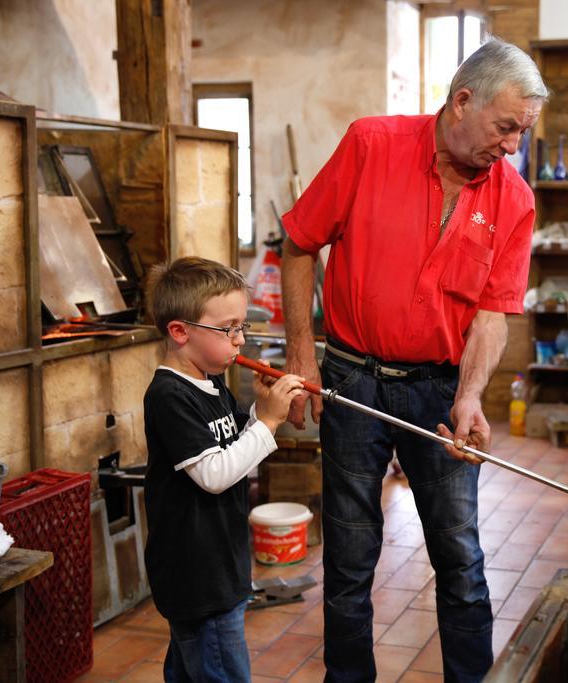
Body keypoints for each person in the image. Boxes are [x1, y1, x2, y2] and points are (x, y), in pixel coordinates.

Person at [280, 39, 546, 682]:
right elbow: (298, 243)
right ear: (462, 101)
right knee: (349, 558)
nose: (513, 146)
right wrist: (301, 360)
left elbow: (491, 313)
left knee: (460, 560)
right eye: (506, 127)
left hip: (439, 391)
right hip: (352, 380)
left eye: (523, 133)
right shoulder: (371, 145)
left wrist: (471, 396)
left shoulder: (513, 198)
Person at [142, 257, 305, 683]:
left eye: (242, 328)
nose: (239, 341)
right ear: (180, 331)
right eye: (228, 328)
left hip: (219, 563)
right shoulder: (169, 396)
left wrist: (259, 410)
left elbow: (235, 448)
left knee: (191, 670)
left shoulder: (211, 381)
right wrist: (268, 422)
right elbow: (214, 475)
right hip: (197, 576)